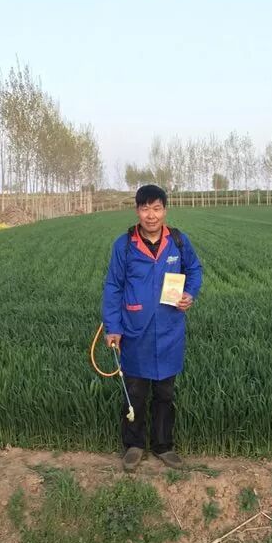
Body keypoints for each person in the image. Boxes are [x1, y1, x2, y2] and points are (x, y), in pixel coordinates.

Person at [102, 184, 203, 472]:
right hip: (135, 331)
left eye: (156, 208)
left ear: (164, 210)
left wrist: (189, 294)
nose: (151, 215)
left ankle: (163, 446)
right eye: (145, 208)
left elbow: (194, 270)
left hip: (170, 330)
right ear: (137, 211)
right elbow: (113, 286)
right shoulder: (124, 245)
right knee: (134, 391)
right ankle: (133, 445)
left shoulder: (178, 241)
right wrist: (113, 327)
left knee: (165, 393)